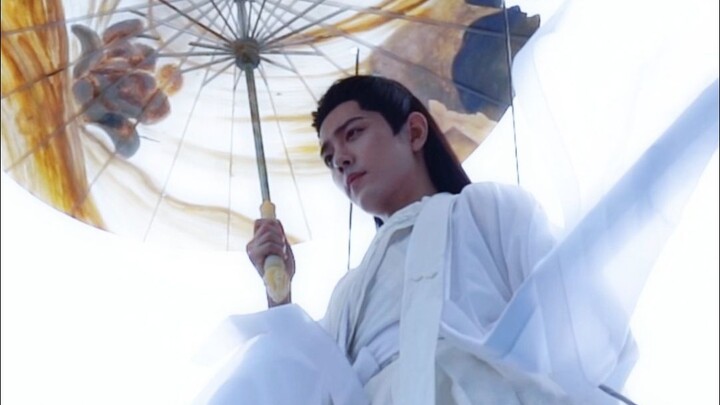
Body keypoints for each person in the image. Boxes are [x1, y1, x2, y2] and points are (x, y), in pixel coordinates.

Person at [227, 75, 636, 405]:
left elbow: (570, 315)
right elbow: (311, 389)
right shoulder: (348, 293)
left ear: (415, 132)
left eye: (353, 134)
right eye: (330, 157)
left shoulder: (485, 209)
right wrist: (278, 297)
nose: (341, 160)